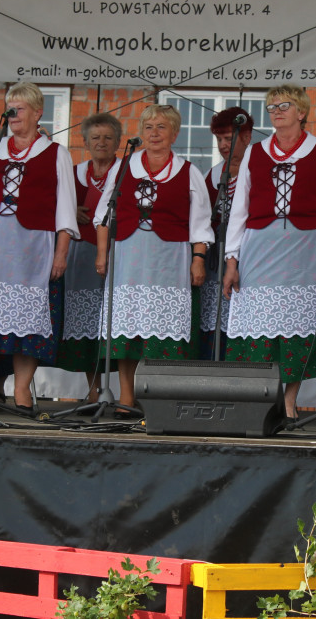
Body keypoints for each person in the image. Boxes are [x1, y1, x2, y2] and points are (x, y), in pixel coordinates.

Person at [222, 84, 316, 421]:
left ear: (301, 112)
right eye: (272, 106)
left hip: (306, 248)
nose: (276, 111)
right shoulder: (256, 152)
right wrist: (232, 260)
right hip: (260, 247)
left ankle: (289, 403)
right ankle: (266, 400)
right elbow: (240, 208)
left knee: (296, 328)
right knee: (262, 326)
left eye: (284, 105)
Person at [0, 82, 78, 411]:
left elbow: (65, 210)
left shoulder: (56, 154)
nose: (12, 114)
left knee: (28, 325)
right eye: (10, 108)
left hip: (32, 249)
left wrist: (61, 253)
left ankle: (22, 391)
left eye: (19, 108)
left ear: (38, 113)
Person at [93, 104, 213, 415]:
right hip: (129, 258)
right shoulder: (123, 169)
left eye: (161, 127)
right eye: (148, 127)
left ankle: (160, 398)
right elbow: (104, 215)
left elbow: (201, 224)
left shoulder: (189, 172)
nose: (154, 133)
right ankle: (127, 397)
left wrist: (198, 259)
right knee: (127, 330)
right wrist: (102, 253)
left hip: (168, 260)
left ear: (175, 133)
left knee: (162, 333)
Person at [57, 113, 122, 403]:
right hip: (82, 252)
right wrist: (73, 213)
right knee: (87, 323)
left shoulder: (126, 170)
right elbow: (57, 209)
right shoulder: (74, 173)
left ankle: (122, 392)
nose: (101, 142)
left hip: (119, 251)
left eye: (108, 137)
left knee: (116, 320)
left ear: (118, 142)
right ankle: (93, 389)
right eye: (95, 137)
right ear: (84, 142)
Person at [201, 106, 254, 359]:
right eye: (219, 139)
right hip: (215, 264)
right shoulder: (211, 175)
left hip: (250, 259)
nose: (223, 145)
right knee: (215, 321)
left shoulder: (257, 170)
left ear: (247, 137)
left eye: (228, 138)